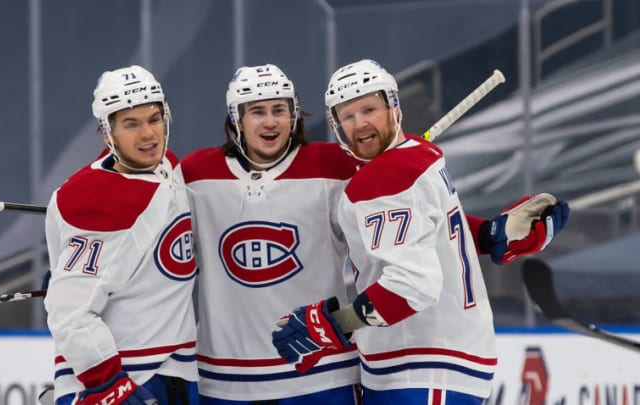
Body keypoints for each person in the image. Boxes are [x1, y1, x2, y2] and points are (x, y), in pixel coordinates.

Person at [271, 59, 570, 404]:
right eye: (347, 116)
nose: (360, 124)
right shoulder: (419, 155)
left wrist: (336, 323)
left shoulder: (384, 177)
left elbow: (413, 285)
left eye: (369, 109)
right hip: (447, 363)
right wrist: (489, 234)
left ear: (393, 106)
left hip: (420, 365)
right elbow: (434, 231)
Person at [180, 64, 362, 404]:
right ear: (236, 118)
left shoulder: (334, 166)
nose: (270, 121)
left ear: (294, 115)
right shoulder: (196, 174)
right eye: (257, 111)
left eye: (280, 110)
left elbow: (400, 214)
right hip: (225, 380)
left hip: (321, 374)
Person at [43, 65, 199, 405]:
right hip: (132, 379)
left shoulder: (166, 166)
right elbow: (69, 313)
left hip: (176, 371)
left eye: (154, 119)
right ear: (107, 133)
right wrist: (107, 384)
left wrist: (65, 275)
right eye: (131, 124)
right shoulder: (95, 202)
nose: (148, 135)